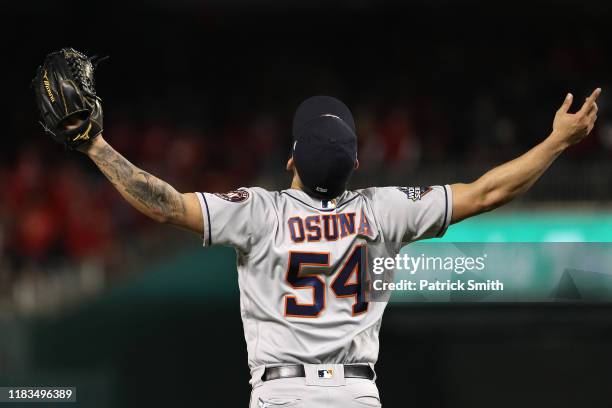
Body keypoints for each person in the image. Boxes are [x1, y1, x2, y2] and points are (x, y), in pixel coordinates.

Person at [68, 90, 599, 407]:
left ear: (290, 160)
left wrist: (93, 143)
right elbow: (488, 191)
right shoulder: (385, 210)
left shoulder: (259, 213)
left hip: (283, 395)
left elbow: (163, 203)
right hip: (355, 394)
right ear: (356, 168)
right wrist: (557, 141)